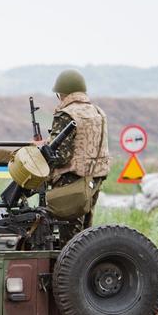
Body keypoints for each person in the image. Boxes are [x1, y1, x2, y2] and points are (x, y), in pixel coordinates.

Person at [40, 69, 110, 243]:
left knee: (68, 240)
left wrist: (44, 151)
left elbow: (61, 156)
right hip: (95, 179)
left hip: (70, 181)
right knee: (85, 238)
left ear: (61, 93)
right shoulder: (98, 113)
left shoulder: (67, 114)